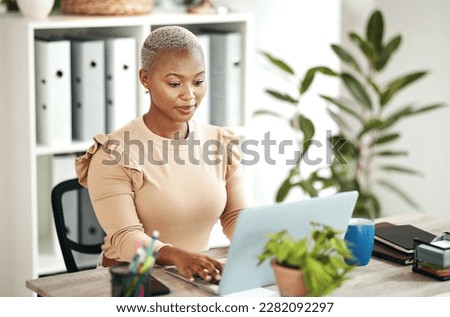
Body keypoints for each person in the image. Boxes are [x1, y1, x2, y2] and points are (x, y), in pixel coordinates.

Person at [75, 26, 247, 283]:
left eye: (198, 82)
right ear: (145, 79)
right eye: (175, 83)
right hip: (130, 281)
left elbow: (235, 216)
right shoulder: (114, 153)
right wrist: (177, 256)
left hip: (194, 277)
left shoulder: (221, 142)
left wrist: (268, 243)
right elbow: (125, 237)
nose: (189, 95)